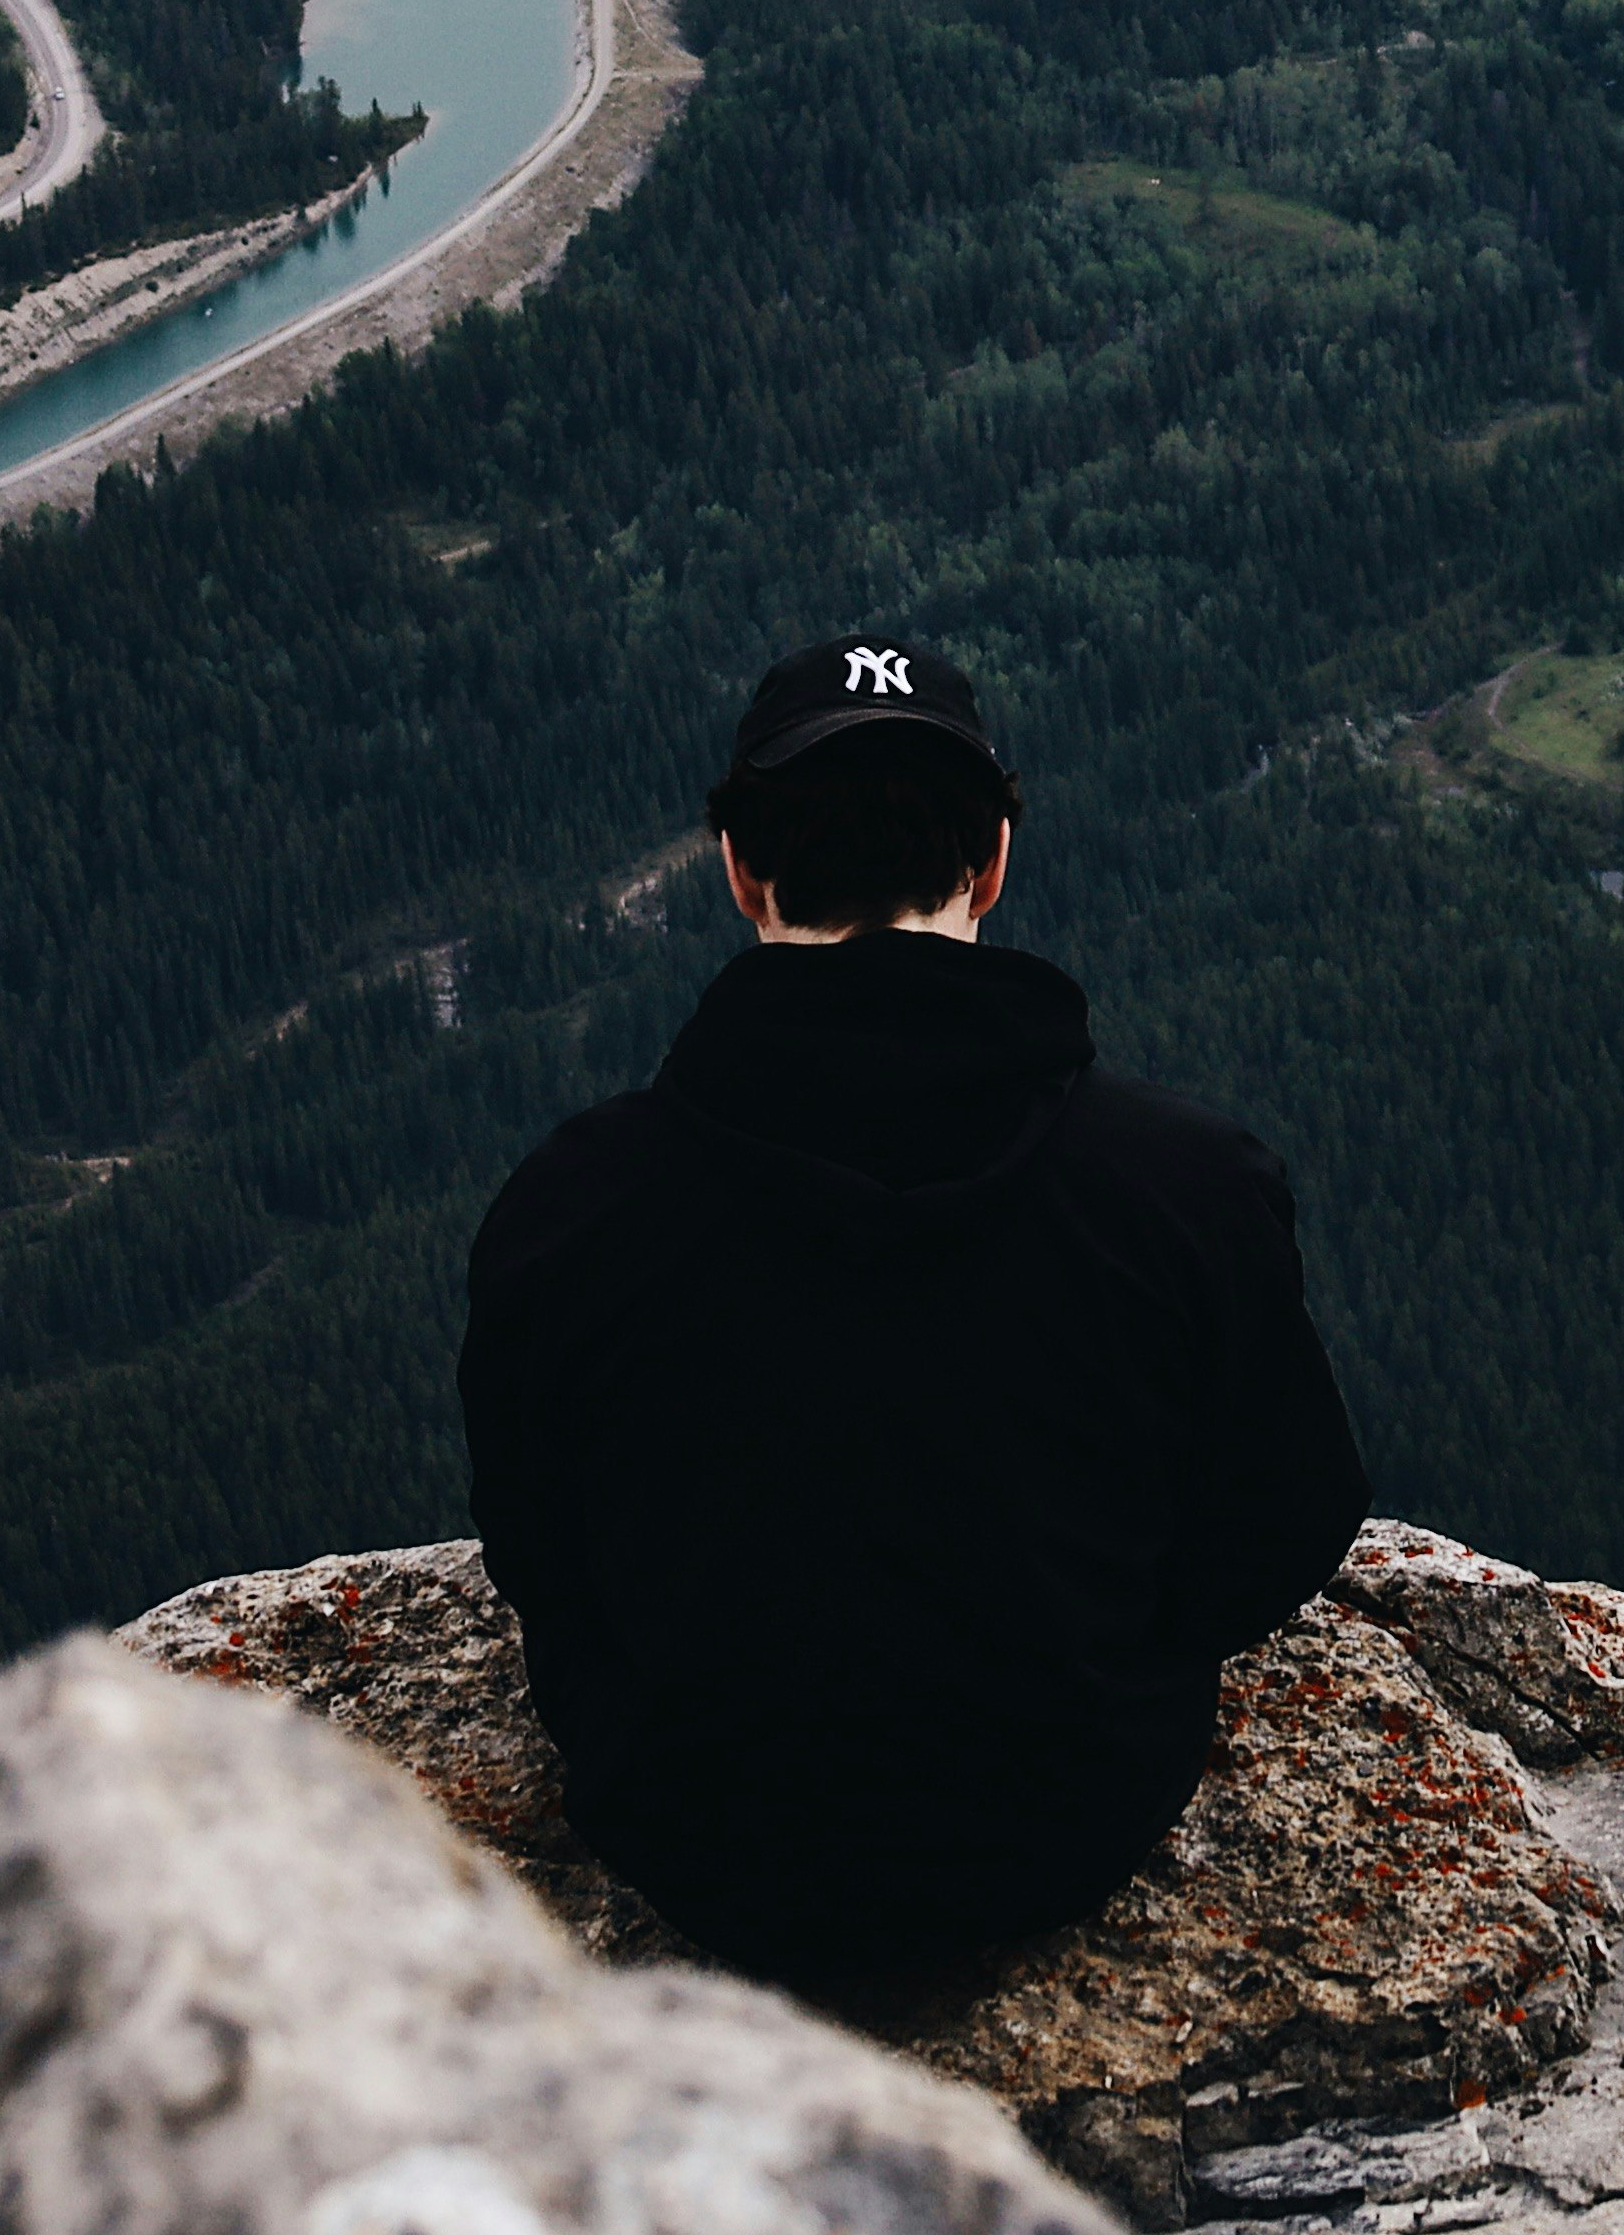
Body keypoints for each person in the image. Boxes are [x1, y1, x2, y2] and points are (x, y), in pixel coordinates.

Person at [462, 637, 1369, 1984]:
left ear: (739, 873)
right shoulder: (1185, 1183)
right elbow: (1288, 1520)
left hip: (708, 1852)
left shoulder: (571, 1206)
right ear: (993, 859)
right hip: (1062, 1827)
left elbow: (539, 1554)